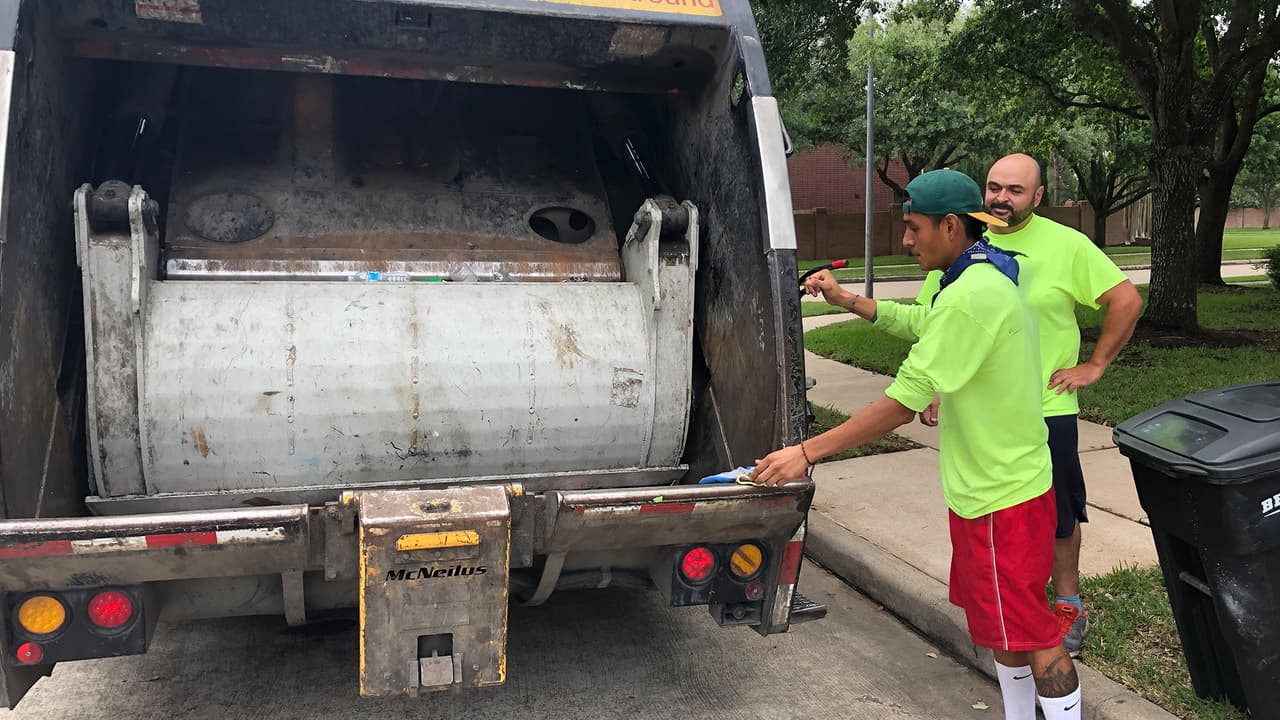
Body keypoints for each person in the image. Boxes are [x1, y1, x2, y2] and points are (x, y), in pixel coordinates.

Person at [753, 169, 1082, 720]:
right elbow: (923, 322)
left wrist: (806, 453)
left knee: (1035, 631)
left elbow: (901, 402)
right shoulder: (978, 274)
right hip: (992, 489)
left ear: (950, 225)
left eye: (913, 228)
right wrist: (846, 298)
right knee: (1002, 625)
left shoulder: (971, 295)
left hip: (1003, 494)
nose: (906, 240)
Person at [857, 154, 1143, 654]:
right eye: (993, 187)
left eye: (1015, 190)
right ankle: (1021, 615)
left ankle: (1067, 605)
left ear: (1037, 197)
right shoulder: (966, 248)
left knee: (1059, 514)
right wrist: (943, 384)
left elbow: (1125, 299)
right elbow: (937, 325)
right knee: (1005, 537)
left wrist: (1094, 365)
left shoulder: (1064, 244)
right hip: (989, 413)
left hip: (1045, 409)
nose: (1001, 198)